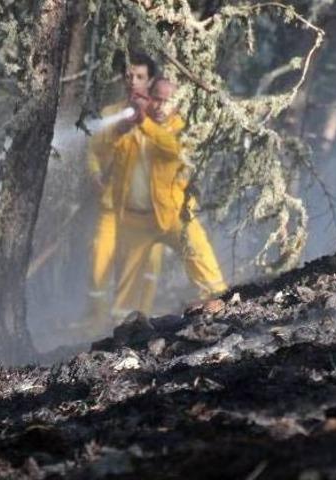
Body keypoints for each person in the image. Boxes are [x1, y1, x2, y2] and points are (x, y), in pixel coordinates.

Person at [108, 78, 228, 315]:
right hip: (135, 220)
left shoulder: (181, 130)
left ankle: (222, 305)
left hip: (174, 213)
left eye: (168, 101)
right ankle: (124, 332)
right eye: (157, 99)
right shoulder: (130, 127)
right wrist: (121, 129)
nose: (161, 107)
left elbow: (172, 150)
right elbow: (110, 153)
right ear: (148, 99)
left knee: (200, 257)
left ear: (176, 104)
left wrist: (145, 124)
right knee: (127, 287)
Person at [83, 51, 164, 332]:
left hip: (148, 210)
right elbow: (95, 152)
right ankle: (99, 321)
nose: (133, 82)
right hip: (112, 206)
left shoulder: (160, 114)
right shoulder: (110, 115)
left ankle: (142, 323)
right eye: (129, 76)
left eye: (140, 76)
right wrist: (95, 173)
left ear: (151, 80)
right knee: (98, 260)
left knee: (149, 265)